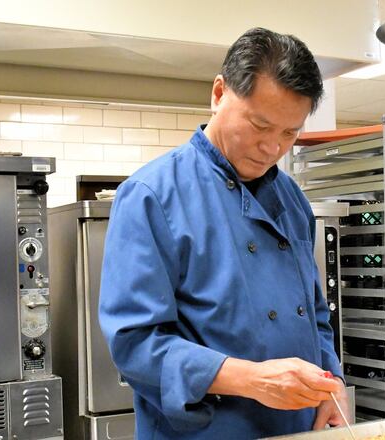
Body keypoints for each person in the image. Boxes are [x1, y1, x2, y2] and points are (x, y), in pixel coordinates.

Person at [98, 27, 347, 439]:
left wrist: (330, 383)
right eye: (259, 125)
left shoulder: (292, 199)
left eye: (289, 133)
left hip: (298, 429)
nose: (272, 148)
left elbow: (316, 316)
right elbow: (135, 344)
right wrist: (253, 379)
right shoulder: (151, 196)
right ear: (218, 94)